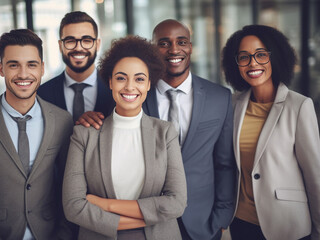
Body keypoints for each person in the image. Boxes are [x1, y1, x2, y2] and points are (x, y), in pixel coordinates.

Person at [78, 19, 236, 240]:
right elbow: (108, 127)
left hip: (202, 222)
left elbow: (225, 164)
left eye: (182, 42)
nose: (174, 49)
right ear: (152, 49)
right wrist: (88, 117)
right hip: (146, 221)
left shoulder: (220, 97)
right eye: (163, 43)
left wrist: (221, 218)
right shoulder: (132, 95)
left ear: (190, 46)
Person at [62, 35, 187, 240]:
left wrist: (107, 205)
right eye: (121, 78)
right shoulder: (84, 135)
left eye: (139, 79)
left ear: (148, 84)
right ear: (110, 82)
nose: (130, 87)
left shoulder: (165, 133)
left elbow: (177, 203)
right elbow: (73, 206)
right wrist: (143, 218)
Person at [0, 29, 74, 240]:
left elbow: (70, 189)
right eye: (14, 65)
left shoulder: (62, 121)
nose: (23, 74)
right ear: (1, 69)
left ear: (41, 68)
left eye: (31, 64)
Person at [222, 24, 320, 240]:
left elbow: (315, 176)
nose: (253, 63)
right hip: (241, 223)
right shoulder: (231, 104)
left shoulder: (299, 106)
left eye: (260, 55)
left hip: (287, 224)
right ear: (235, 63)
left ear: (275, 57)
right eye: (244, 57)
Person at [37, 11, 114, 123]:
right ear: (60, 46)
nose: (78, 48)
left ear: (97, 44)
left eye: (86, 41)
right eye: (70, 41)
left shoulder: (113, 90)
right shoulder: (42, 94)